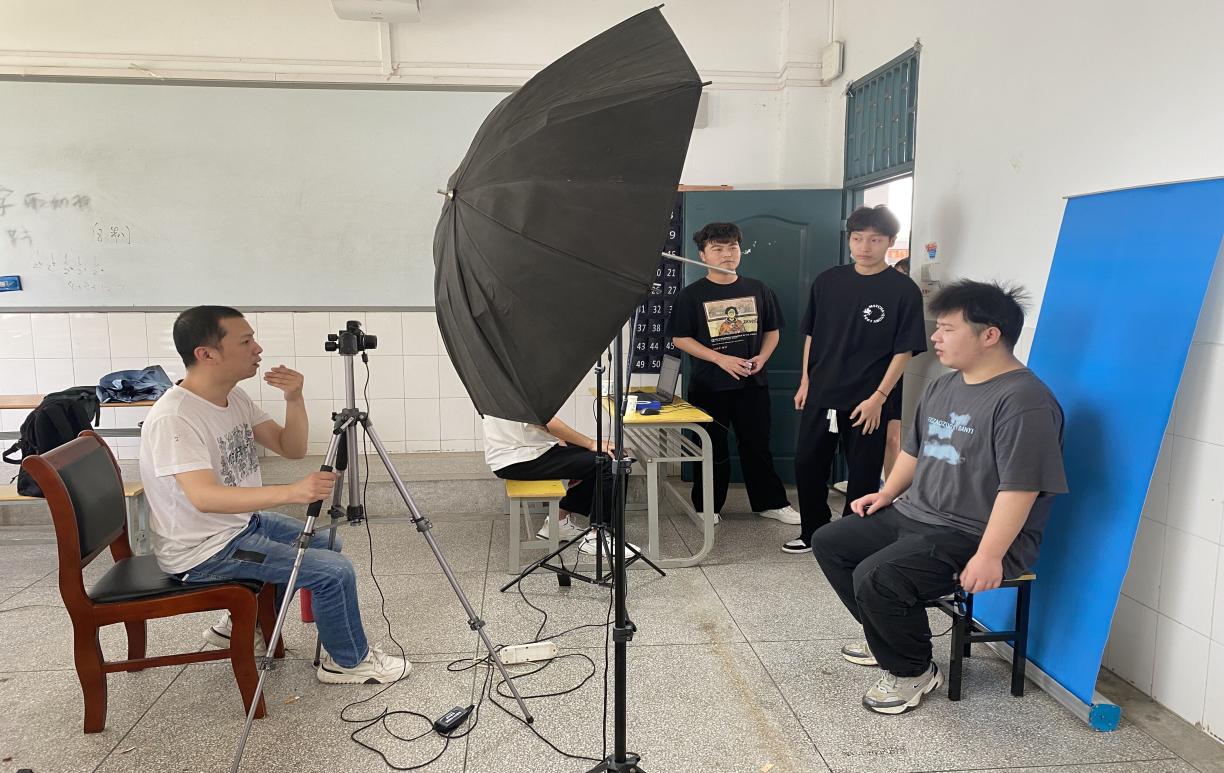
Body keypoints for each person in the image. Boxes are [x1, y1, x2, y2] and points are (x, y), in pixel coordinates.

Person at [811, 280, 1067, 715]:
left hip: (972, 533)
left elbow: (1021, 488)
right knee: (831, 542)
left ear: (990, 335)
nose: (935, 338)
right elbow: (915, 451)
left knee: (878, 576)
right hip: (917, 514)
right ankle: (885, 636)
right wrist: (887, 493)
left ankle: (913, 669)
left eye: (948, 329)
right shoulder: (943, 385)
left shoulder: (1025, 401)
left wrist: (990, 556)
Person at [139, 306, 409, 684]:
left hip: (238, 526)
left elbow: (291, 447)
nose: (258, 349)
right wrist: (292, 492)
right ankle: (347, 662)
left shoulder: (233, 398)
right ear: (207, 354)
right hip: (205, 550)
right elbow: (204, 497)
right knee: (333, 572)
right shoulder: (176, 417)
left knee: (327, 542)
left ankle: (244, 624)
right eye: (246, 341)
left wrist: (294, 398)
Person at [787, 205, 927, 553]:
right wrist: (805, 381)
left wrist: (879, 397)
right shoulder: (828, 281)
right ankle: (813, 532)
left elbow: (904, 350)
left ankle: (852, 539)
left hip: (869, 397)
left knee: (863, 471)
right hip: (822, 390)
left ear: (890, 242)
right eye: (857, 238)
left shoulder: (903, 290)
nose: (865, 247)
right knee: (807, 463)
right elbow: (811, 335)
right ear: (849, 239)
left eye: (875, 240)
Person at [666, 222, 799, 525]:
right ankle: (707, 506)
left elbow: (773, 331)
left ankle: (771, 503)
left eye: (732, 247)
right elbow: (680, 338)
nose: (727, 254)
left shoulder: (758, 289)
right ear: (703, 255)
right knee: (710, 447)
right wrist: (720, 359)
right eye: (718, 249)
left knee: (757, 446)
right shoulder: (691, 295)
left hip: (752, 383)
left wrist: (763, 357)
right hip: (709, 386)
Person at [483, 414, 631, 555]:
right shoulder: (520, 394)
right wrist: (591, 443)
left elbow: (535, 422)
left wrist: (560, 440)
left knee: (603, 455)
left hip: (514, 453)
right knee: (611, 461)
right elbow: (546, 420)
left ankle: (557, 522)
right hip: (521, 458)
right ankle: (599, 538)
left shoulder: (493, 395)